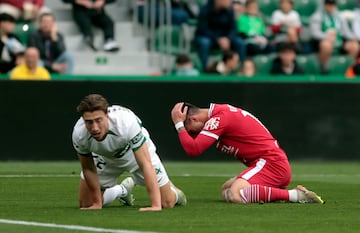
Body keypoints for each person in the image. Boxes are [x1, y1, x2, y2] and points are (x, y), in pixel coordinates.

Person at [170, 102, 325, 204]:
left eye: (190, 130)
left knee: (236, 194)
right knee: (226, 191)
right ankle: (273, 194)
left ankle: (296, 195)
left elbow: (193, 149)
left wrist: (178, 125)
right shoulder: (220, 114)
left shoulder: (219, 118)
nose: (192, 135)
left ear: (194, 119)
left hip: (271, 162)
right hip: (269, 163)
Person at [72, 94, 187, 211]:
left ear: (107, 116)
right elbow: (88, 169)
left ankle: (174, 192)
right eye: (89, 122)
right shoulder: (79, 133)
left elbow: (145, 163)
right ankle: (122, 190)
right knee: (86, 203)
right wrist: (97, 203)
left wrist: (155, 205)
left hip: (135, 153)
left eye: (98, 120)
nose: (95, 128)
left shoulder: (125, 123)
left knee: (167, 202)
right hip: (104, 157)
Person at [310, 0, 360, 74]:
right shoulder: (317, 16)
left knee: (355, 46)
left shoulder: (339, 16)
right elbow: (314, 33)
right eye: (328, 4)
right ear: (325, 5)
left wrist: (352, 37)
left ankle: (350, 68)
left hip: (339, 41)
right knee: (326, 45)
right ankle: (323, 68)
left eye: (332, 4)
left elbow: (346, 32)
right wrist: (326, 36)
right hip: (323, 42)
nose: (330, 7)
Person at [194, 0, 246, 71]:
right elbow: (203, 29)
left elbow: (233, 29)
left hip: (226, 39)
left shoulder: (230, 10)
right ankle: (204, 71)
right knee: (204, 43)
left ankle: (241, 70)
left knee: (240, 42)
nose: (229, 2)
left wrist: (228, 39)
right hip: (209, 38)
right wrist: (218, 39)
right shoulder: (205, 10)